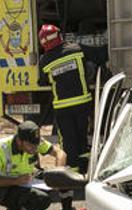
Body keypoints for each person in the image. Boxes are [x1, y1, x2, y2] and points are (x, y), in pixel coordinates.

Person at [0, 120, 87, 210]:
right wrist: (16, 181)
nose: (34, 149)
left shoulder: (35, 142)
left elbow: (60, 154)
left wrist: (58, 173)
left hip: (29, 178)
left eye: (36, 145)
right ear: (19, 141)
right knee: (42, 200)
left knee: (65, 177)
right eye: (31, 145)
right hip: (9, 187)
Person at [38, 24, 94, 176]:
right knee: (82, 137)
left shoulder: (45, 60)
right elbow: (91, 64)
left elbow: (42, 82)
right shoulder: (77, 50)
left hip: (63, 108)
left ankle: (72, 174)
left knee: (68, 141)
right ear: (59, 36)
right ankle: (85, 170)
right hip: (83, 103)